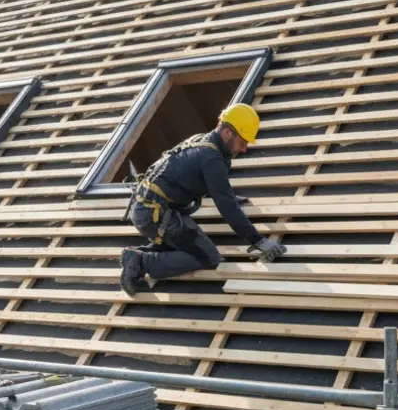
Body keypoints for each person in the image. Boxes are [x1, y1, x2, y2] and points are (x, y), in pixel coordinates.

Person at [119, 103, 286, 295]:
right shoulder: (212, 158)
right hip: (155, 215)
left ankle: (138, 255)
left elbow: (209, 184)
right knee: (208, 257)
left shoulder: (203, 142)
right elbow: (226, 206)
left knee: (189, 243)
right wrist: (258, 240)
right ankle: (141, 262)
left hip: (151, 208)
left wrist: (226, 194)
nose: (245, 148)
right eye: (243, 142)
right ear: (227, 133)